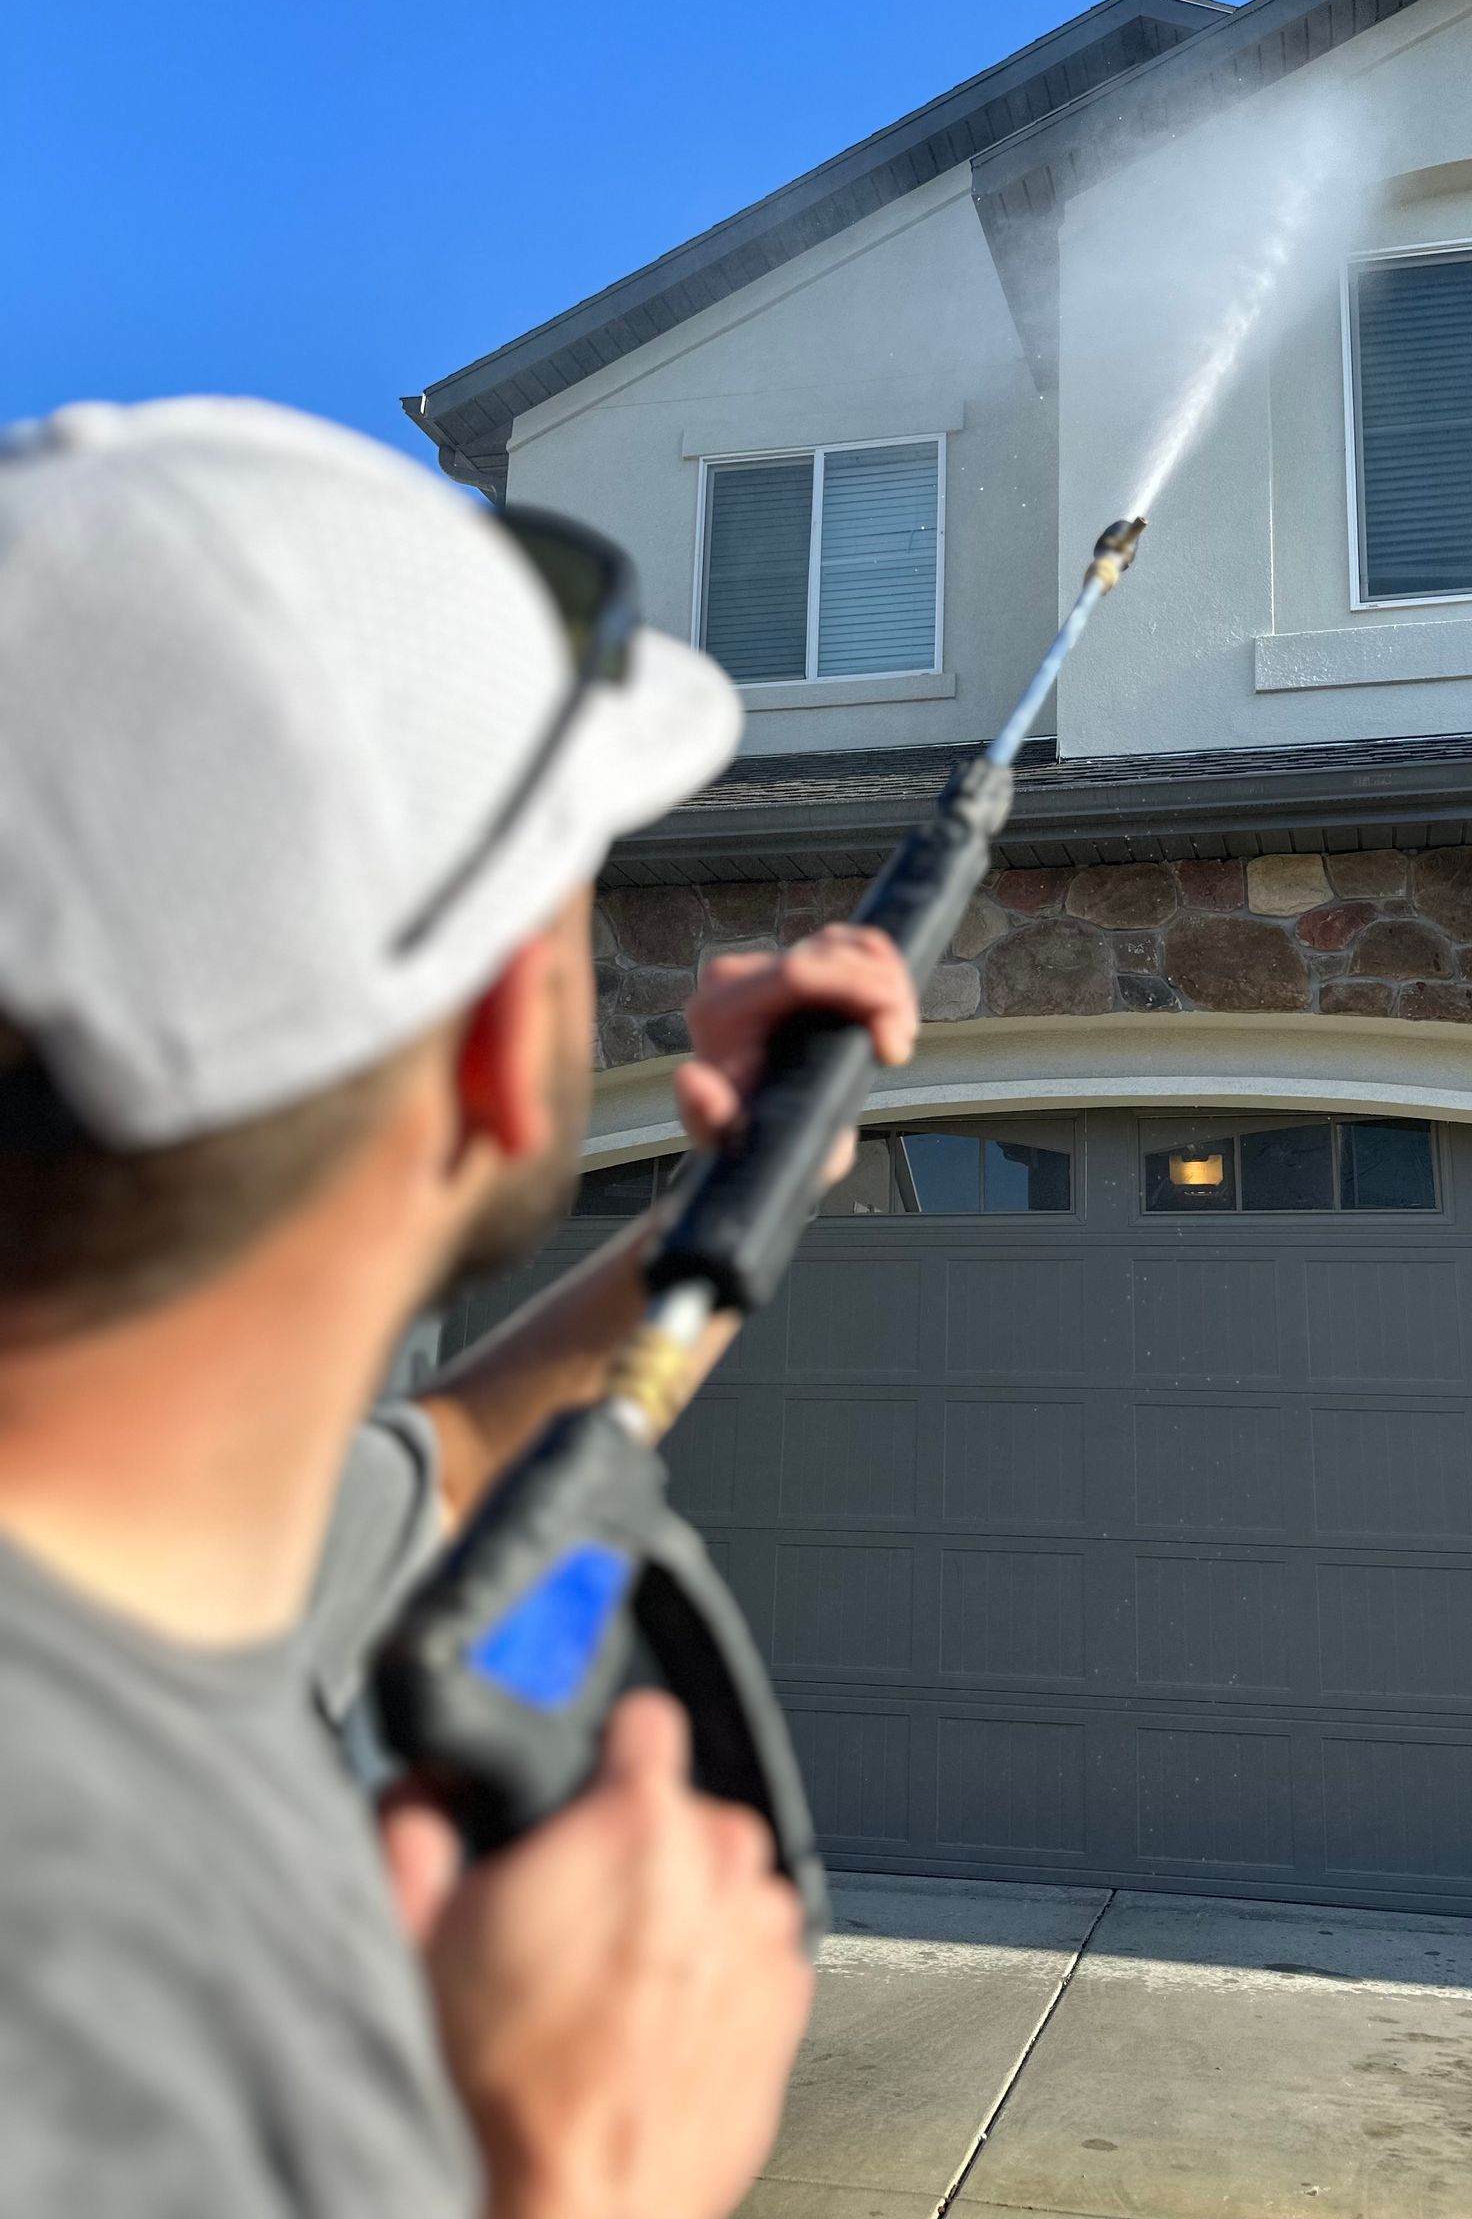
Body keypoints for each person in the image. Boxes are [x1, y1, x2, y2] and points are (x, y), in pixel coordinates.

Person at [0, 397, 921, 2218]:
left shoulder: (162, 1554)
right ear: (506, 1043)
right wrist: (570, 2178)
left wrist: (740, 1189)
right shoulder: (73, 2019)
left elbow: (475, 1463)